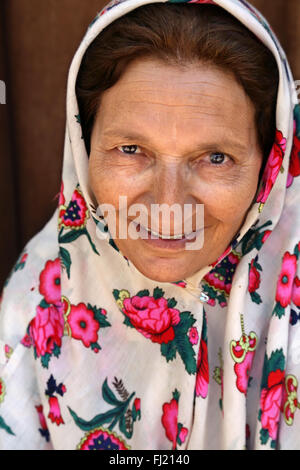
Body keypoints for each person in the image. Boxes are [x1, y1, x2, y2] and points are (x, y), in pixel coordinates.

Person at [0, 0, 299, 450]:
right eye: (131, 149)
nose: (167, 204)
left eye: (215, 158)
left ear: (268, 167)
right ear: (83, 146)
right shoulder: (40, 296)